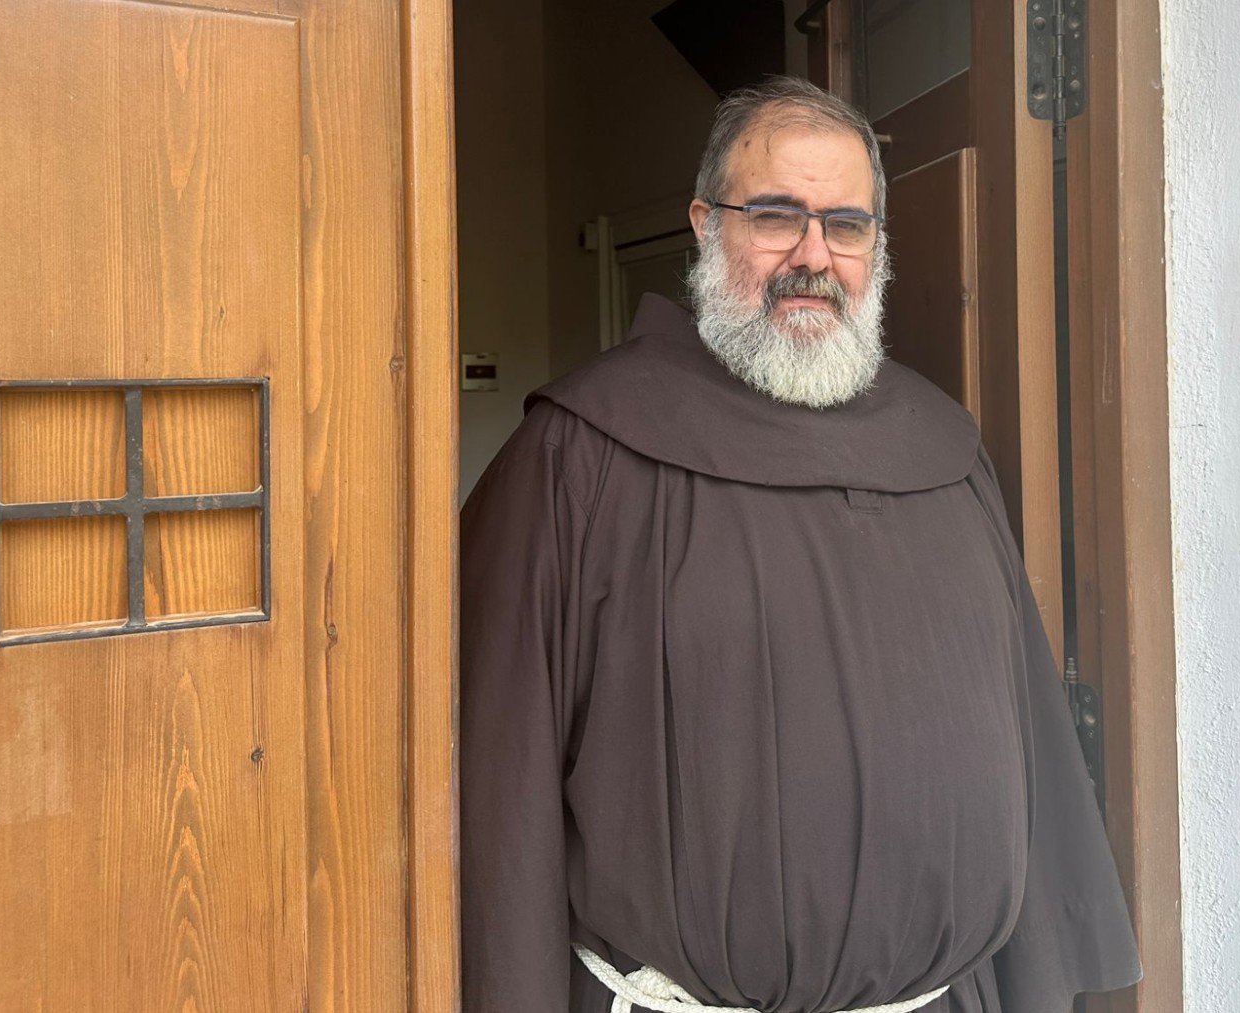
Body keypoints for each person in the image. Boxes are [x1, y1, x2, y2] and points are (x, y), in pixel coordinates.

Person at [459, 75, 1142, 1013]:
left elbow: (1027, 735)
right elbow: (498, 785)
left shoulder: (942, 448)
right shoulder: (579, 456)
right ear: (707, 225)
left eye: (847, 225)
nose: (813, 255)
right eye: (777, 215)